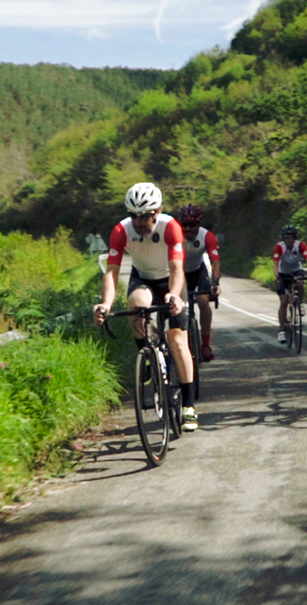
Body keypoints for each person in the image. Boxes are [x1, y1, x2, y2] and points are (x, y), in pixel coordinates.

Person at [93, 183, 199, 431]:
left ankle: (189, 405)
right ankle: (147, 357)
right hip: (143, 279)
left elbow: (176, 268)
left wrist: (174, 296)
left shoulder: (170, 226)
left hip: (170, 280)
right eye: (134, 216)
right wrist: (106, 304)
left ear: (157, 211)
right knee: (136, 305)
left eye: (145, 216)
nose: (139, 222)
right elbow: (112, 271)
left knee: (178, 341)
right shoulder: (121, 230)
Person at [176, 204, 221, 362]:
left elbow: (215, 263)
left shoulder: (207, 236)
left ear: (199, 224)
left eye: (192, 225)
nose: (188, 229)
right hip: (179, 272)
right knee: (177, 306)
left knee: (203, 301)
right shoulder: (174, 235)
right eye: (184, 225)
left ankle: (205, 344)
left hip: (198, 270)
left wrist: (215, 282)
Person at [272, 225, 307, 344]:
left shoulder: (301, 245)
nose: (289, 240)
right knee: (284, 302)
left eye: (291, 238)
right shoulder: (279, 247)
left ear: (295, 238)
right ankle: (281, 330)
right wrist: (277, 276)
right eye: (286, 238)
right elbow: (275, 263)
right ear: (284, 239)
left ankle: (300, 303)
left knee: (300, 282)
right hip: (283, 273)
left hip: (297, 270)